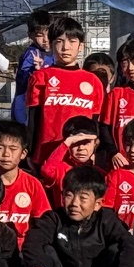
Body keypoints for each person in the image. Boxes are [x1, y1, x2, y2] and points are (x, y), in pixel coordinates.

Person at [25, 17, 105, 168]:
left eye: (72, 41)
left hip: (81, 157)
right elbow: (33, 119)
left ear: (81, 46)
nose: (65, 47)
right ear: (51, 44)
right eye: (59, 41)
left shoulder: (93, 81)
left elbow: (96, 123)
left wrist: (95, 152)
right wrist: (30, 152)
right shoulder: (40, 77)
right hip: (47, 155)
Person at [0, 119, 51, 235]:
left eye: (13, 149)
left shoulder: (32, 184)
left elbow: (43, 222)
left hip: (24, 244)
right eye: (0, 147)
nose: (6, 154)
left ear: (23, 153)